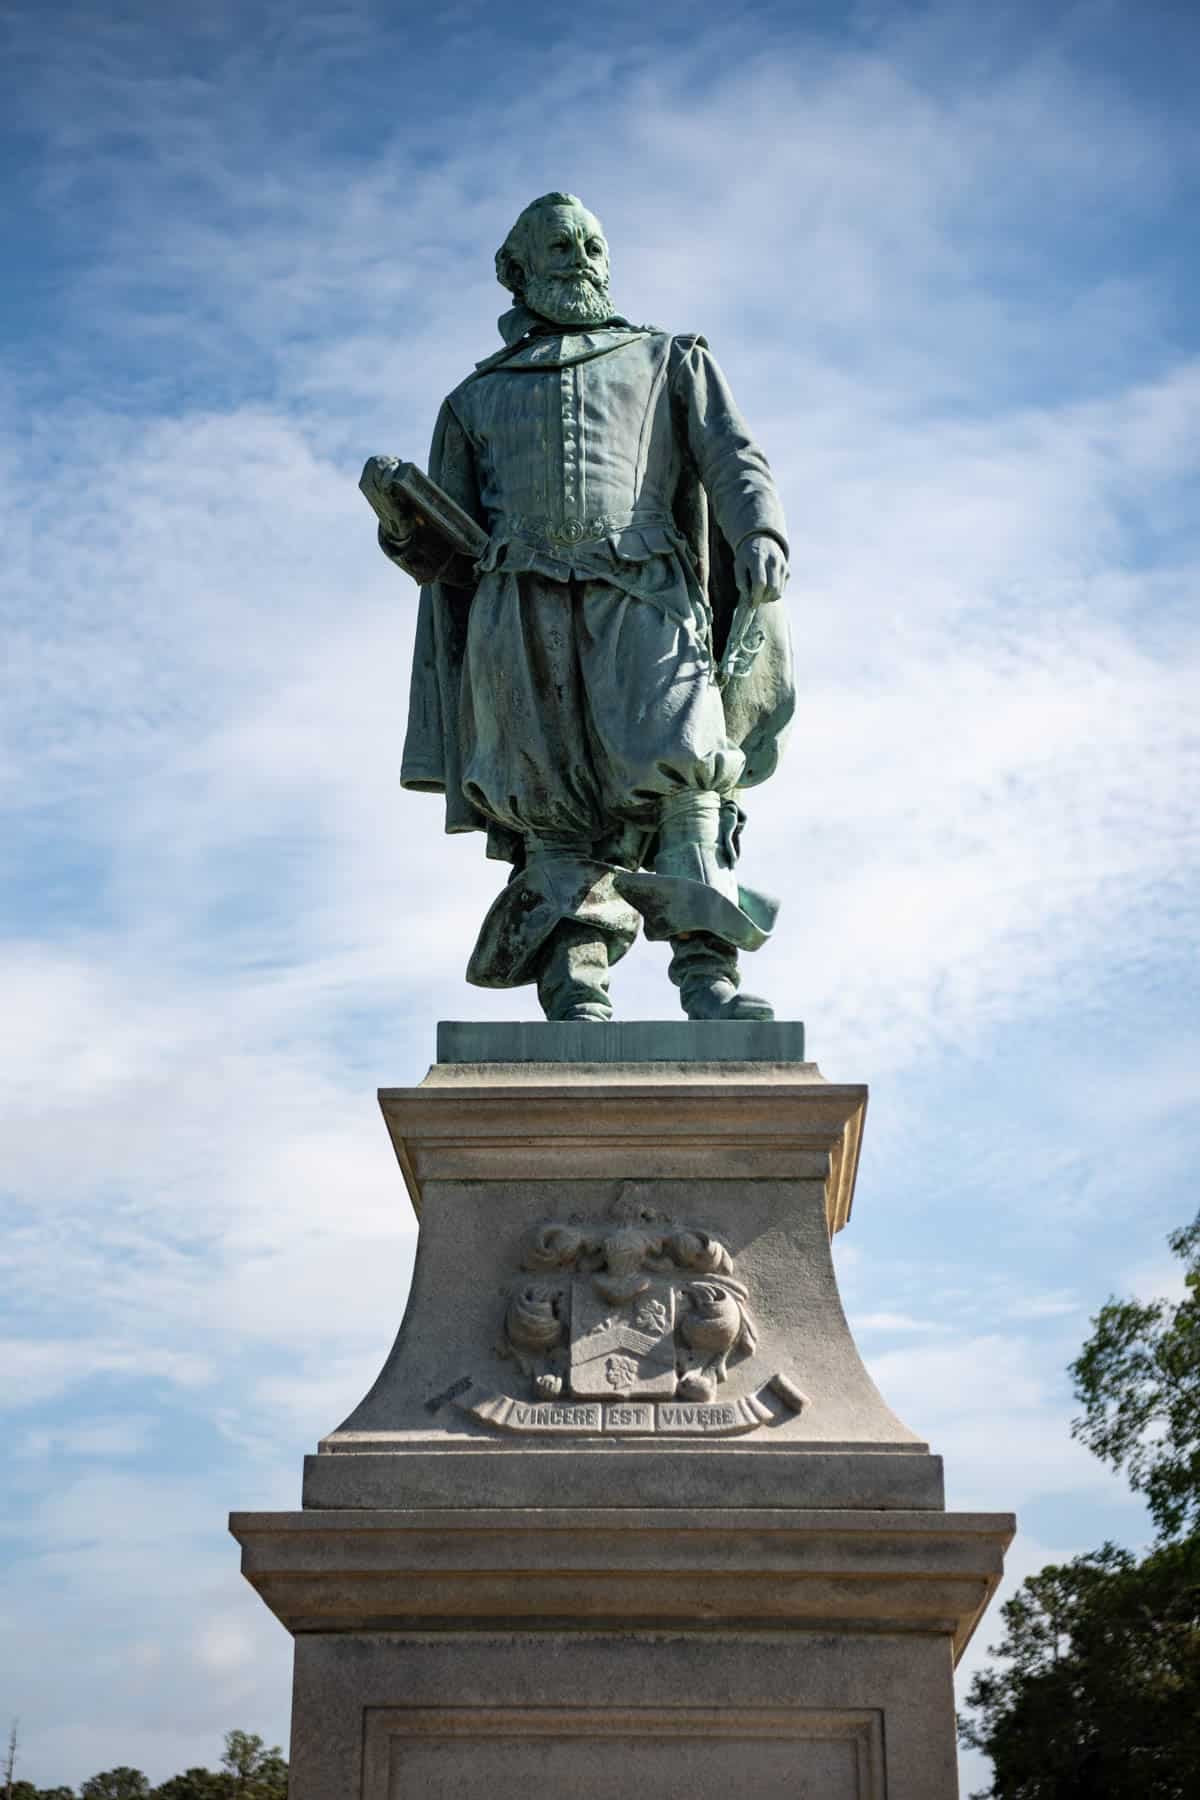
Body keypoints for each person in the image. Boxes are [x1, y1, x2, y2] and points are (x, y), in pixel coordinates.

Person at [378, 192, 794, 1021]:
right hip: (517, 612)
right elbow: (447, 551)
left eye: (591, 244)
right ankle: (577, 990)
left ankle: (708, 980)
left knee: (688, 772)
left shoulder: (668, 358)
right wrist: (403, 528)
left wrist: (760, 533)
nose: (579, 259)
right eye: (559, 246)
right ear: (517, 271)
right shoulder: (471, 400)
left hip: (644, 592)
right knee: (549, 802)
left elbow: (733, 456)